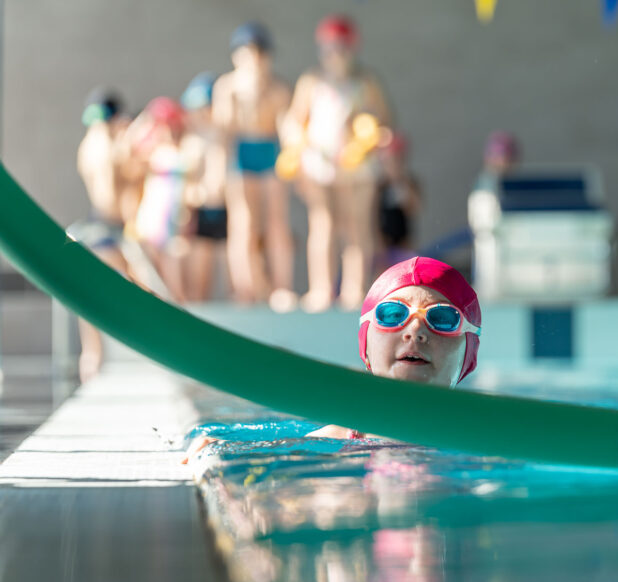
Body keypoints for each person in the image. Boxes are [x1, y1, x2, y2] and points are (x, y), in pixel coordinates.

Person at [186, 256, 481, 458]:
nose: (415, 332)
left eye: (443, 318)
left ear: (469, 356)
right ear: (365, 346)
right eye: (392, 315)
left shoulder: (487, 439)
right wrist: (225, 450)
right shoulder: (340, 438)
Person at [282, 14, 393, 312]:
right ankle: (321, 289)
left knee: (358, 229)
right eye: (330, 47)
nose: (336, 54)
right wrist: (297, 153)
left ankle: (355, 292)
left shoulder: (367, 82)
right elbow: (294, 121)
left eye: (342, 47)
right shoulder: (311, 81)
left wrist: (369, 139)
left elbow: (384, 124)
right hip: (320, 165)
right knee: (323, 226)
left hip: (358, 166)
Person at [212, 21, 296, 310]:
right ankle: (245, 289)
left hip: (268, 149)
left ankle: (281, 288)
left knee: (277, 223)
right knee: (243, 224)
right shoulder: (229, 87)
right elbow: (223, 132)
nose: (254, 59)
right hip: (242, 150)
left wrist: (293, 156)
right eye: (248, 53)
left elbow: (286, 126)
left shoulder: (277, 88)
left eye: (259, 53)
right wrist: (218, 170)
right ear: (238, 56)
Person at [71, 87, 132, 382]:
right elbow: (109, 200)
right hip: (109, 227)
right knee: (135, 290)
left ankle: (91, 359)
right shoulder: (106, 146)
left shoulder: (86, 146)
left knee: (91, 300)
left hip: (96, 226)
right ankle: (96, 359)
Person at [130, 97, 195, 303]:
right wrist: (146, 120)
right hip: (153, 217)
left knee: (174, 283)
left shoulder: (186, 149)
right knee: (148, 278)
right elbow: (130, 146)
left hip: (173, 219)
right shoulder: (152, 151)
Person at [181, 72, 230, 301]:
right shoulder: (191, 139)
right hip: (201, 211)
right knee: (199, 279)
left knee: (234, 277)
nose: (201, 113)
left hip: (227, 208)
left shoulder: (226, 133)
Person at [375, 132, 421, 272]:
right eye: (389, 162)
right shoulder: (377, 187)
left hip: (402, 243)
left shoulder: (408, 183)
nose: (393, 166)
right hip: (382, 245)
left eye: (397, 161)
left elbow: (414, 208)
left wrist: (401, 184)